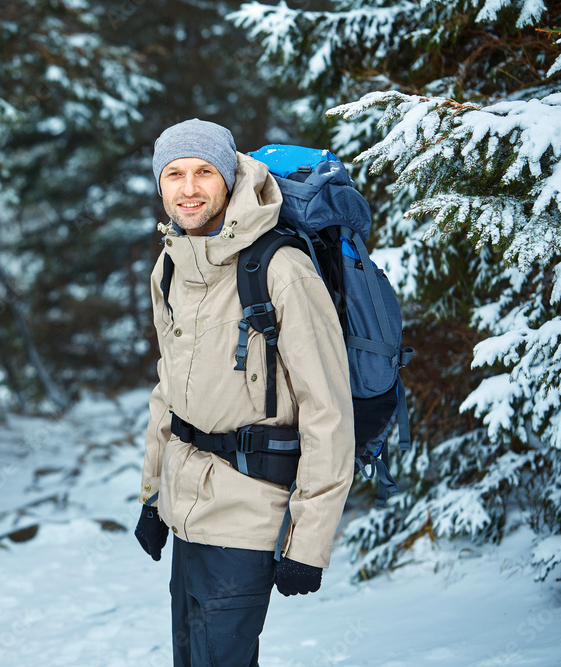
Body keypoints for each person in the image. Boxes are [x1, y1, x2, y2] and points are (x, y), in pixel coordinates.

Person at [134, 118, 355, 667]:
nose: (189, 188)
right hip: (187, 512)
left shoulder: (281, 269)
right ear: (159, 184)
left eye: (204, 172)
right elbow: (169, 391)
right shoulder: (170, 265)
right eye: (175, 174)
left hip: (249, 511)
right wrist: (153, 496)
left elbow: (329, 412)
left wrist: (307, 545)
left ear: (229, 177)